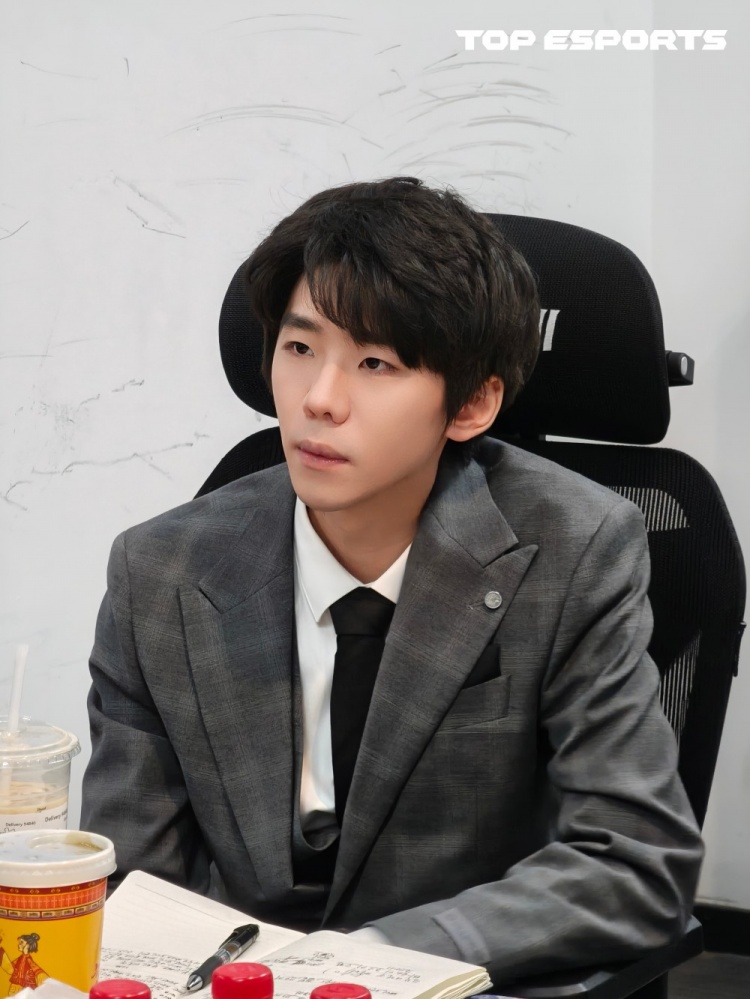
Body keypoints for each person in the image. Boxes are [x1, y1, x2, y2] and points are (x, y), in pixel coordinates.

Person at [81, 177, 703, 983]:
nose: (319, 399)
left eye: (375, 362)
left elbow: (634, 861)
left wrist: (361, 963)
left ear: (471, 404)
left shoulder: (576, 547)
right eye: (299, 349)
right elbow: (134, 885)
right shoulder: (160, 570)